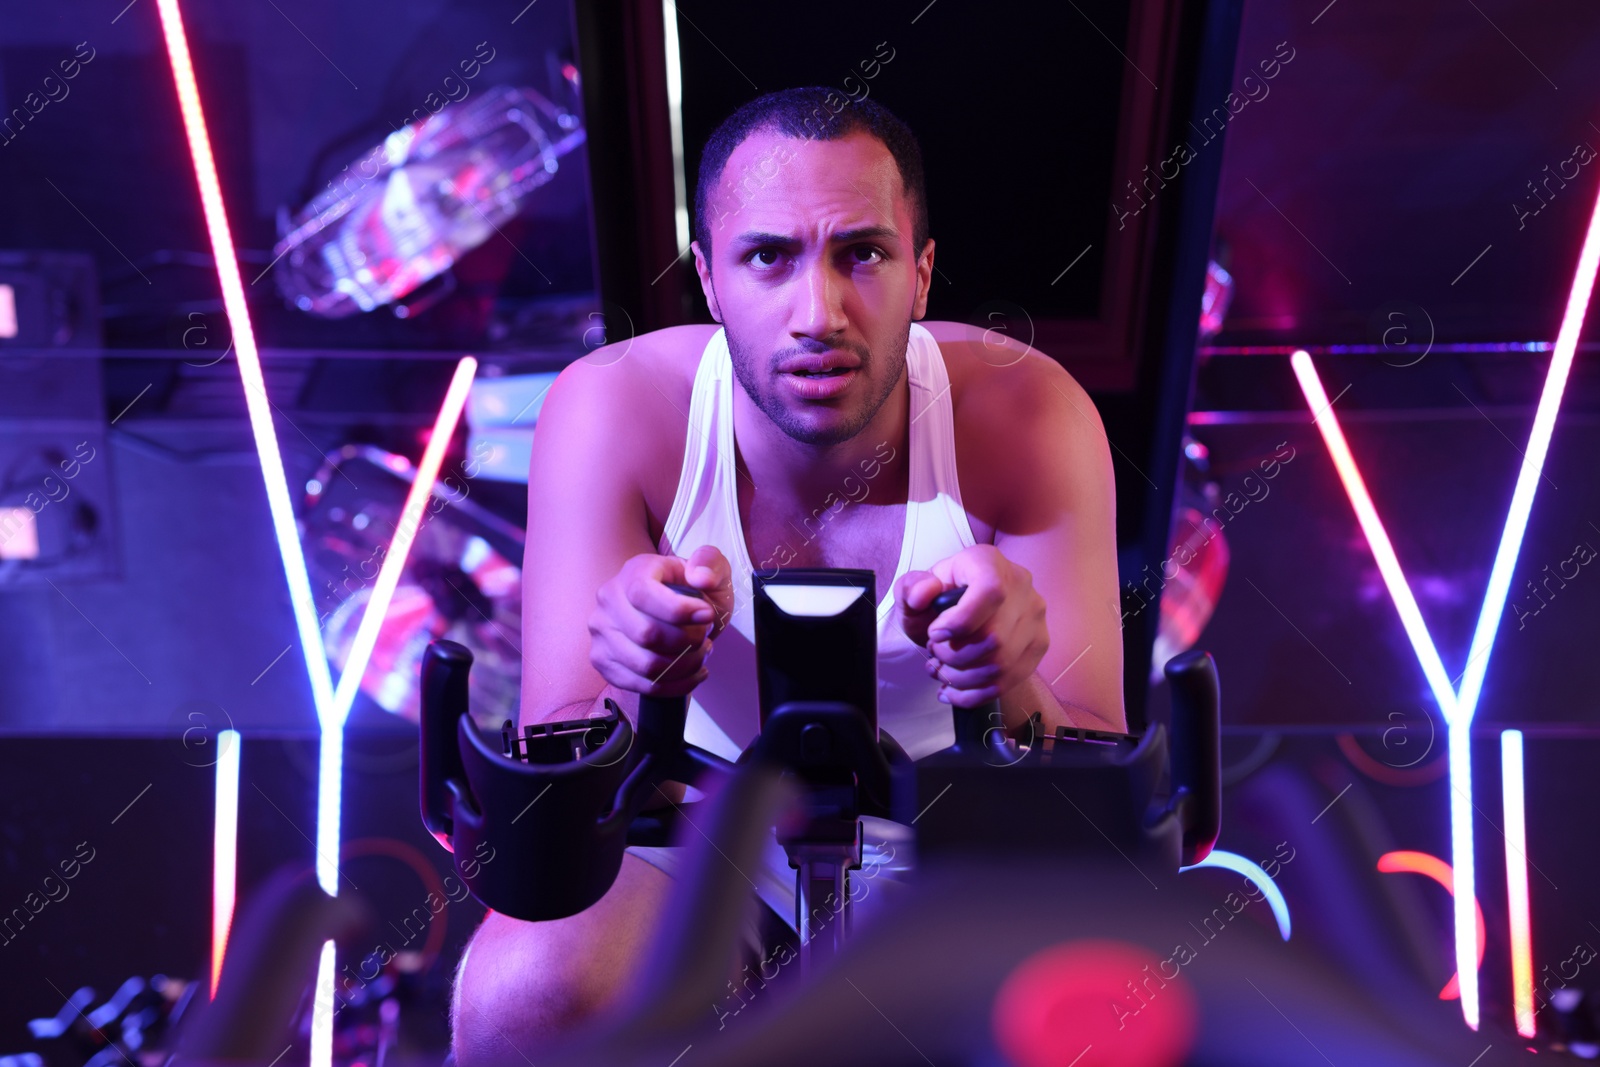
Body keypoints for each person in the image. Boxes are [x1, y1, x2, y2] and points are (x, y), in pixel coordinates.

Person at [450, 86, 1126, 1065]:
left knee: (1088, 1014)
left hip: (957, 830)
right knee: (528, 994)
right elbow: (563, 757)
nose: (819, 313)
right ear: (710, 279)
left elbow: (1089, 784)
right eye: (769, 256)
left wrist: (1006, 678)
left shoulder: (1028, 410)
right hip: (692, 829)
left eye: (862, 254)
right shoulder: (614, 406)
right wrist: (639, 669)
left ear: (922, 274)